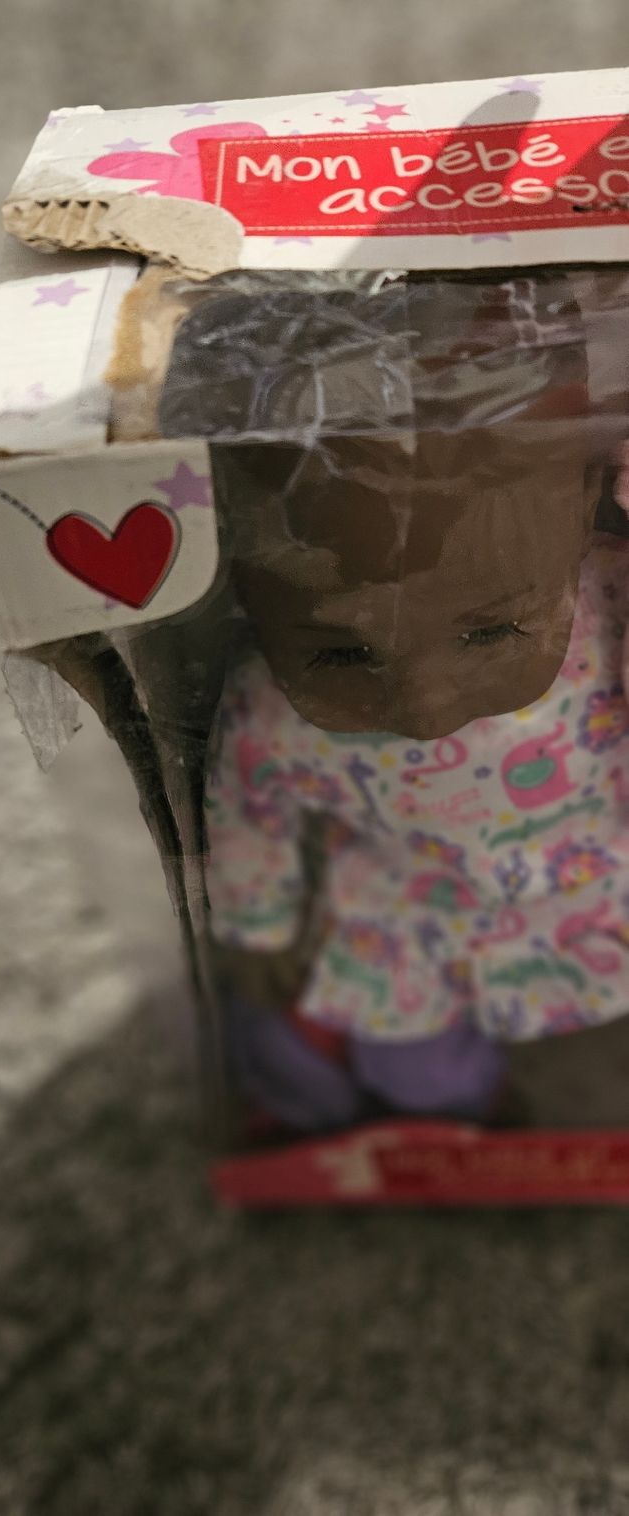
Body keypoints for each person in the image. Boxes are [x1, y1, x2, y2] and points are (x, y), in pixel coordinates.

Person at [191, 268, 629, 1129]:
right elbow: (249, 806)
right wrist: (259, 924)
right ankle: (473, 1114)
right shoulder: (265, 707)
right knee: (417, 1076)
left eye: (489, 633)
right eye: (340, 652)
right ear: (235, 577)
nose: (424, 710)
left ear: (585, 505)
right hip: (408, 901)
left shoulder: (609, 603)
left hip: (595, 877)